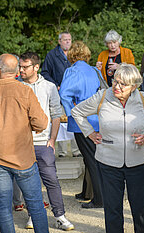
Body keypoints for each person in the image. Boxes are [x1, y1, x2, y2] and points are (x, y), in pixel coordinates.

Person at [71, 63, 144, 233]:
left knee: (141, 211)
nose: (117, 87)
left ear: (134, 86)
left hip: (140, 163)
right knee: (112, 211)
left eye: (123, 84)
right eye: (115, 81)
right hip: (108, 163)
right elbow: (77, 111)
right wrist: (89, 133)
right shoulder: (102, 96)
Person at [18, 52, 74, 231]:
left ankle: (60, 216)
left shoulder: (49, 87)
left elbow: (56, 114)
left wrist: (52, 139)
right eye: (20, 66)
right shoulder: (16, 86)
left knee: (51, 180)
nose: (21, 70)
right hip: (22, 145)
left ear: (36, 67)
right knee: (28, 182)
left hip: (44, 143)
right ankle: (33, 215)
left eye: (25, 67)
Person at [0, 54, 49, 233]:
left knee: (3, 208)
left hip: (0, 159)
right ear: (17, 72)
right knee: (35, 205)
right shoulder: (25, 90)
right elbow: (42, 123)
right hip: (23, 157)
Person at [59, 41, 103, 208]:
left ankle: (99, 198)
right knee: (91, 157)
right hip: (97, 118)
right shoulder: (95, 70)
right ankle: (86, 192)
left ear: (71, 55)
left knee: (91, 159)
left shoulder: (72, 71)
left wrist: (72, 112)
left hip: (82, 121)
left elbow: (64, 93)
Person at [41, 31, 80, 158]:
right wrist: (55, 85)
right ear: (59, 41)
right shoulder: (52, 55)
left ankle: (76, 150)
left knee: (74, 119)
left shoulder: (75, 54)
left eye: (69, 39)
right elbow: (45, 73)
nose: (68, 42)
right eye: (65, 39)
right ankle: (62, 152)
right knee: (60, 120)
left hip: (73, 94)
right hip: (58, 93)